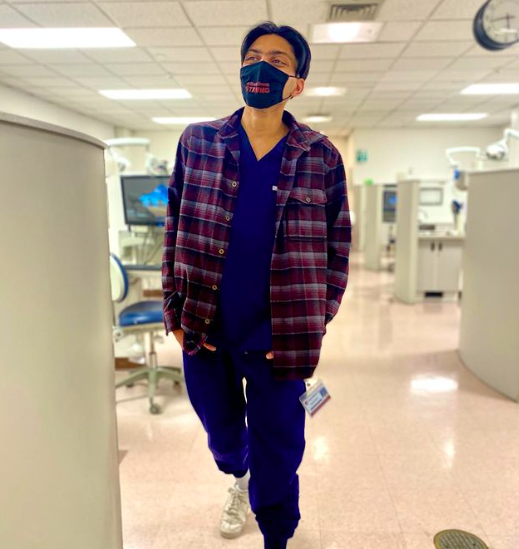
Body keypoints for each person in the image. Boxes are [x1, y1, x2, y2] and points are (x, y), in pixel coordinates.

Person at [161, 20, 351, 549]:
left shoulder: (320, 155)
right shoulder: (199, 142)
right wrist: (174, 313)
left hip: (279, 342)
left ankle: (276, 535)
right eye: (251, 58)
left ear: (297, 83)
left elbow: (338, 250)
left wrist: (313, 324)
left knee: (280, 451)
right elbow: (173, 227)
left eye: (278, 60)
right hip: (205, 332)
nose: (260, 67)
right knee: (224, 437)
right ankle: (237, 475)